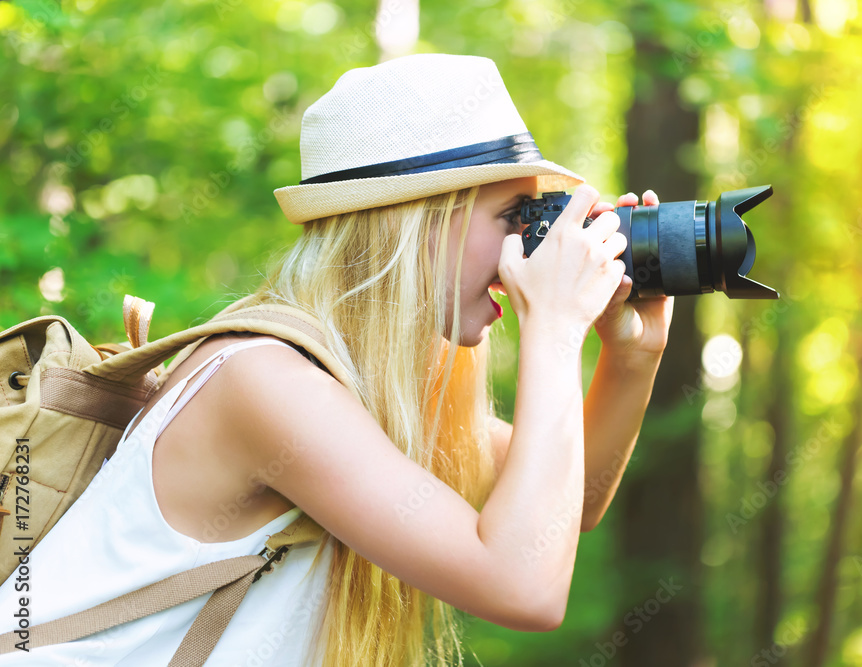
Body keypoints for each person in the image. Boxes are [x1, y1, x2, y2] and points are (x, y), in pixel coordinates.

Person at [0, 53, 673, 666]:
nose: (524, 253)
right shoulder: (263, 378)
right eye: (515, 217)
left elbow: (565, 507)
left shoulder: (370, 394)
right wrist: (553, 328)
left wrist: (632, 355)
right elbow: (524, 585)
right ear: (418, 221)